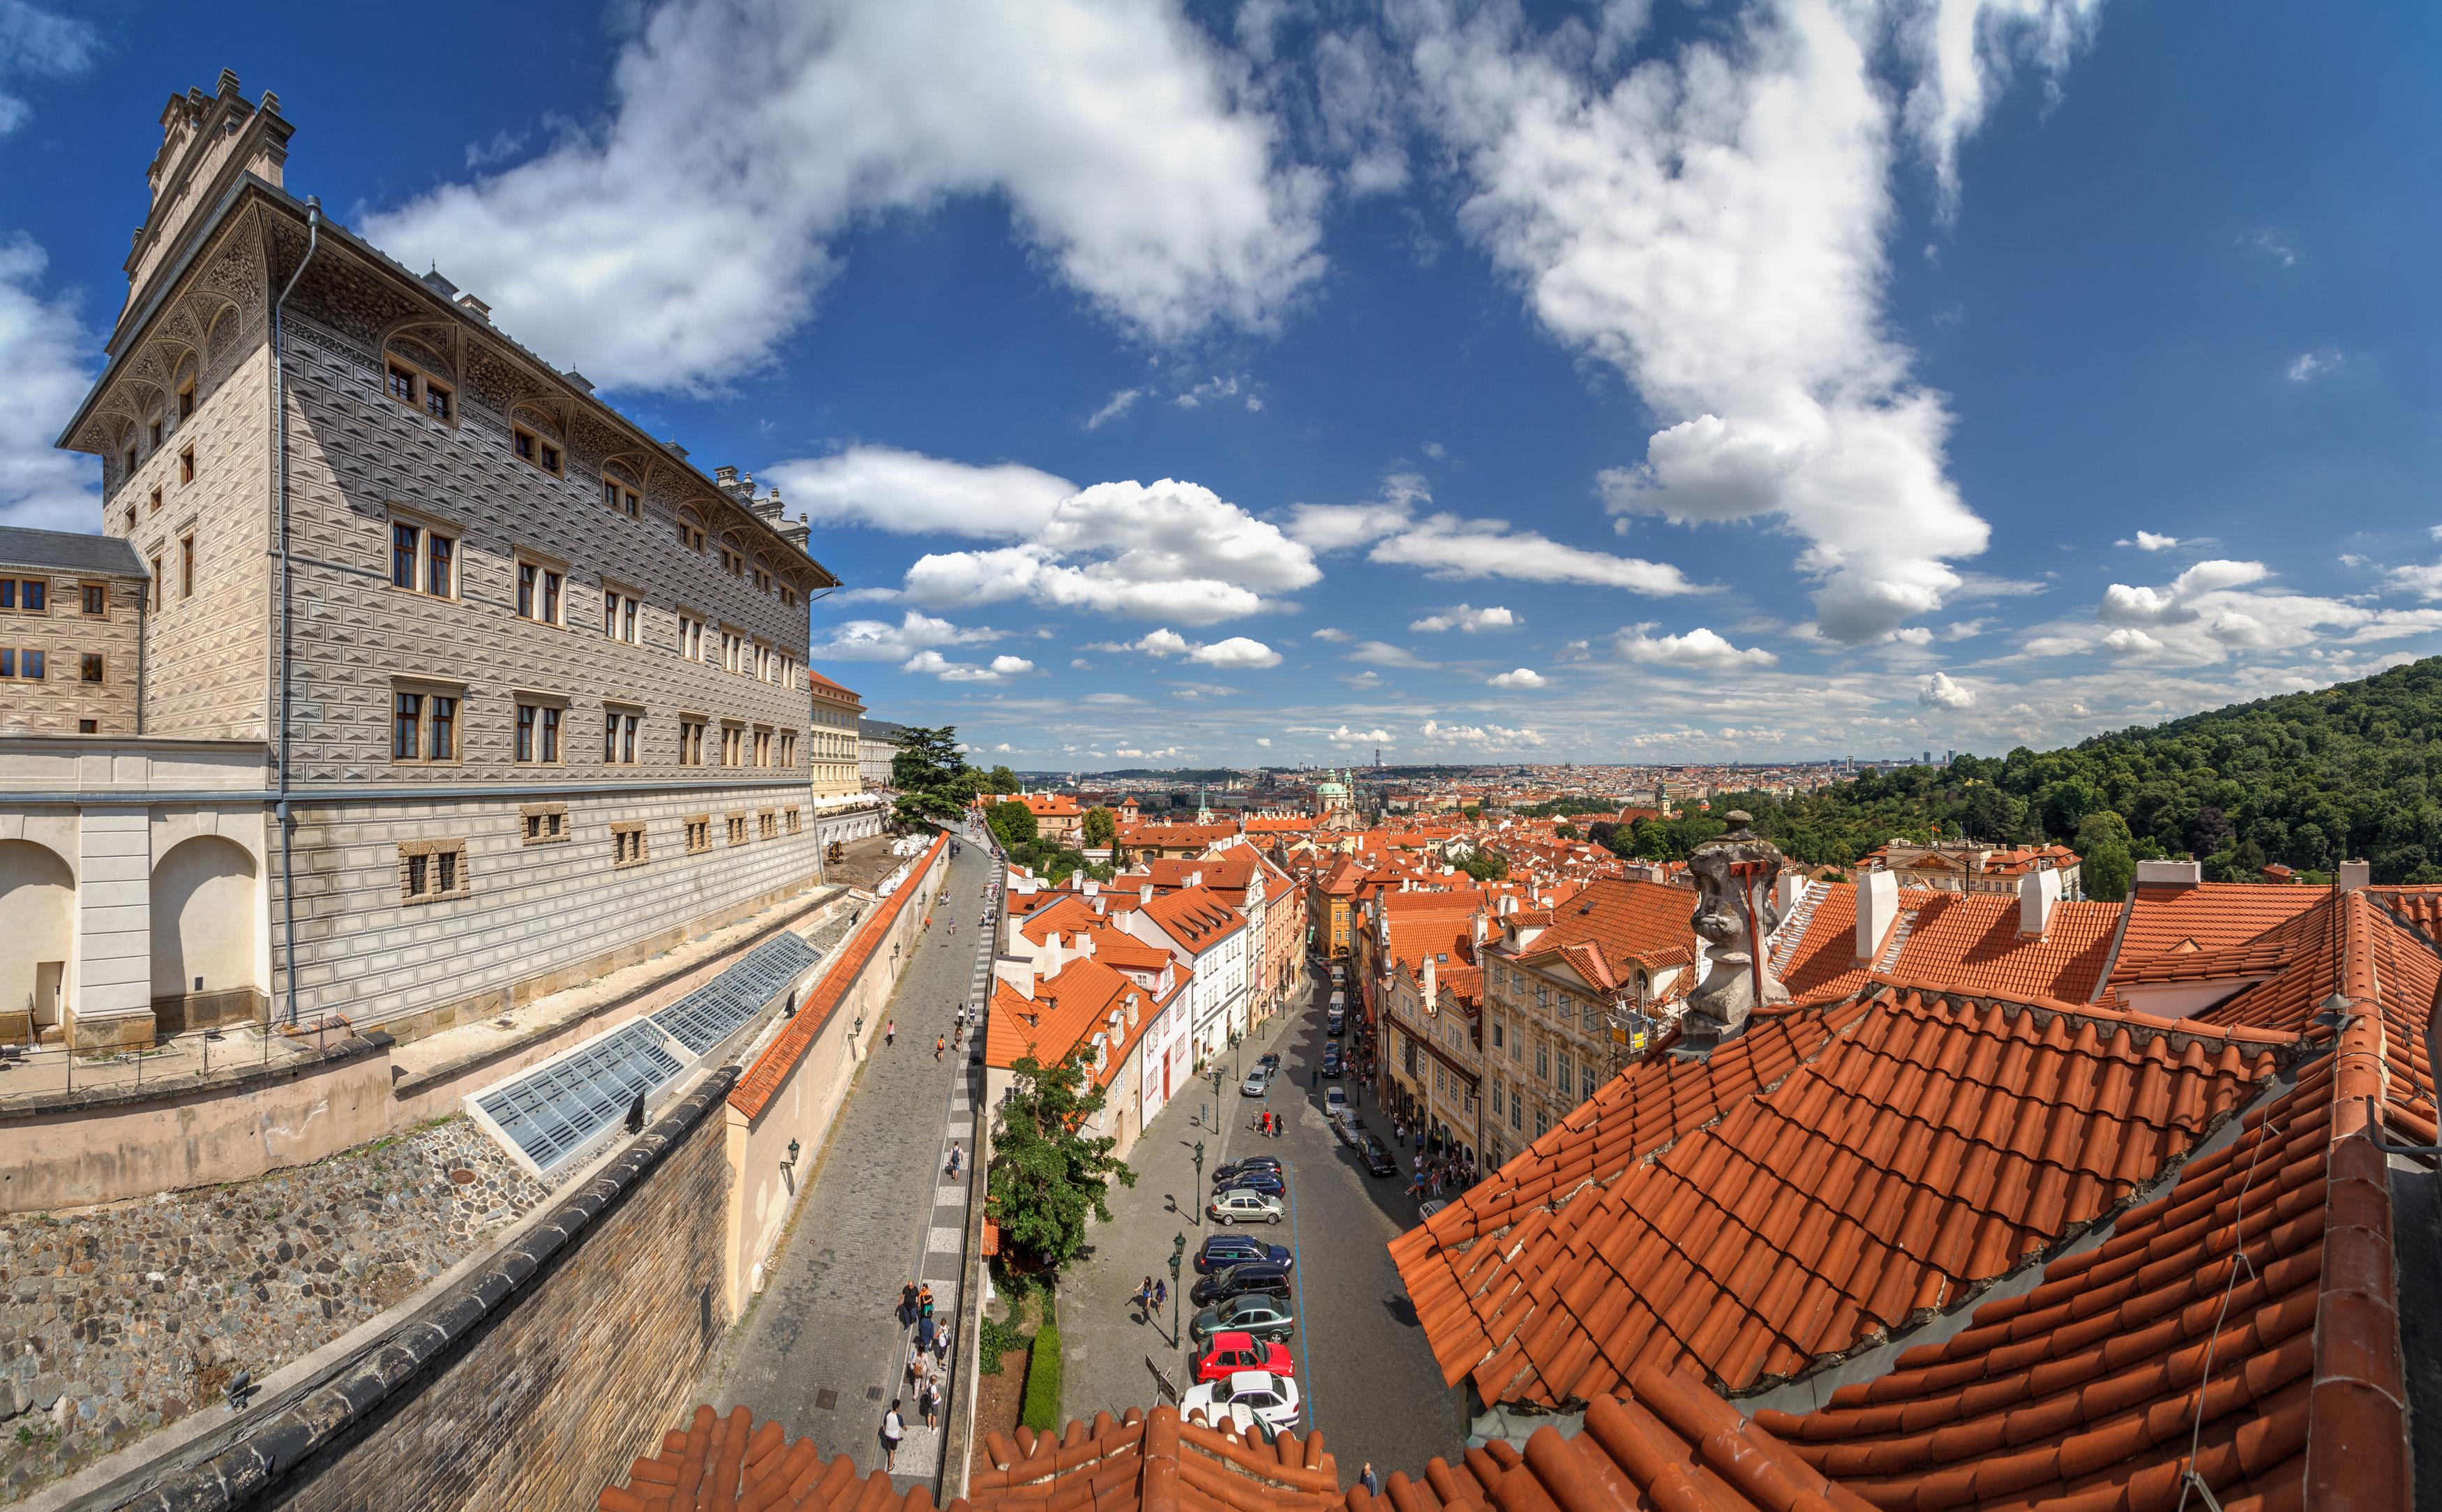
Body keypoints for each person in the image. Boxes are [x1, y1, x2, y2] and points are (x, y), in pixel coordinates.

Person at [882, 1400, 906, 1470]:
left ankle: (888, 1444)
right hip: (893, 1437)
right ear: (897, 1408)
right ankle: (890, 1467)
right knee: (892, 1452)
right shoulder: (899, 1417)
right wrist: (906, 1429)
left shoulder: (888, 1413)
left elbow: (885, 1423)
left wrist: (884, 1427)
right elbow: (903, 1427)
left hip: (887, 1434)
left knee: (889, 1442)